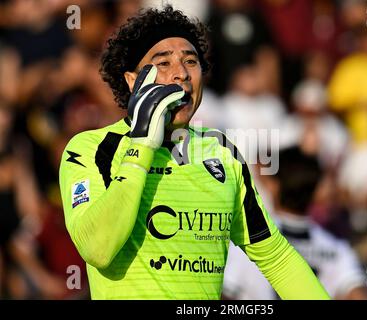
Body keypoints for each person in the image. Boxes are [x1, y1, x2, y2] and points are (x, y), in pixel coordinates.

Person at [58, 5, 329, 300]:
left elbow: (276, 258)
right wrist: (142, 146)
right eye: (163, 63)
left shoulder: (222, 151)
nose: (181, 74)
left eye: (191, 61)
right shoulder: (90, 148)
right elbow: (98, 249)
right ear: (134, 81)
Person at [223, 148, 367, 300]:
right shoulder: (336, 248)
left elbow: (224, 295)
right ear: (315, 191)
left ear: (273, 185)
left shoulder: (246, 241)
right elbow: (358, 295)